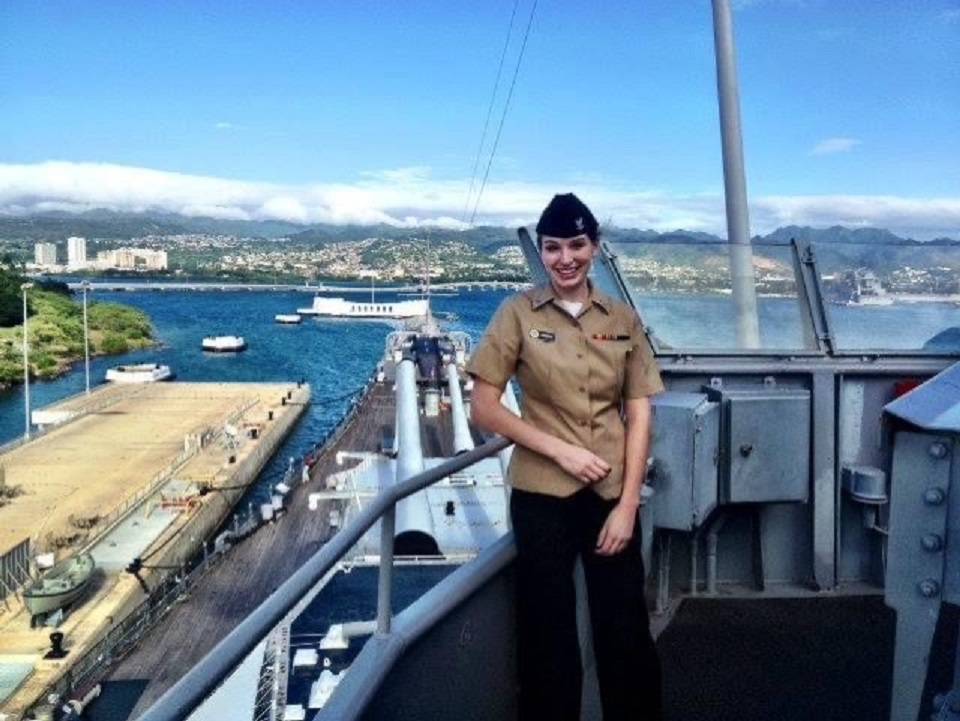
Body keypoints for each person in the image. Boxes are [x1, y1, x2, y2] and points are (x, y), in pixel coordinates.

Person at [468, 193, 664, 721]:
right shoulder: (517, 314)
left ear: (594, 248)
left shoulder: (623, 319)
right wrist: (560, 450)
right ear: (543, 251)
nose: (565, 258)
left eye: (577, 244)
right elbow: (485, 407)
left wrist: (627, 507)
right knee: (546, 643)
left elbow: (639, 415)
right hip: (542, 499)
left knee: (625, 634)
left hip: (609, 499)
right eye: (553, 247)